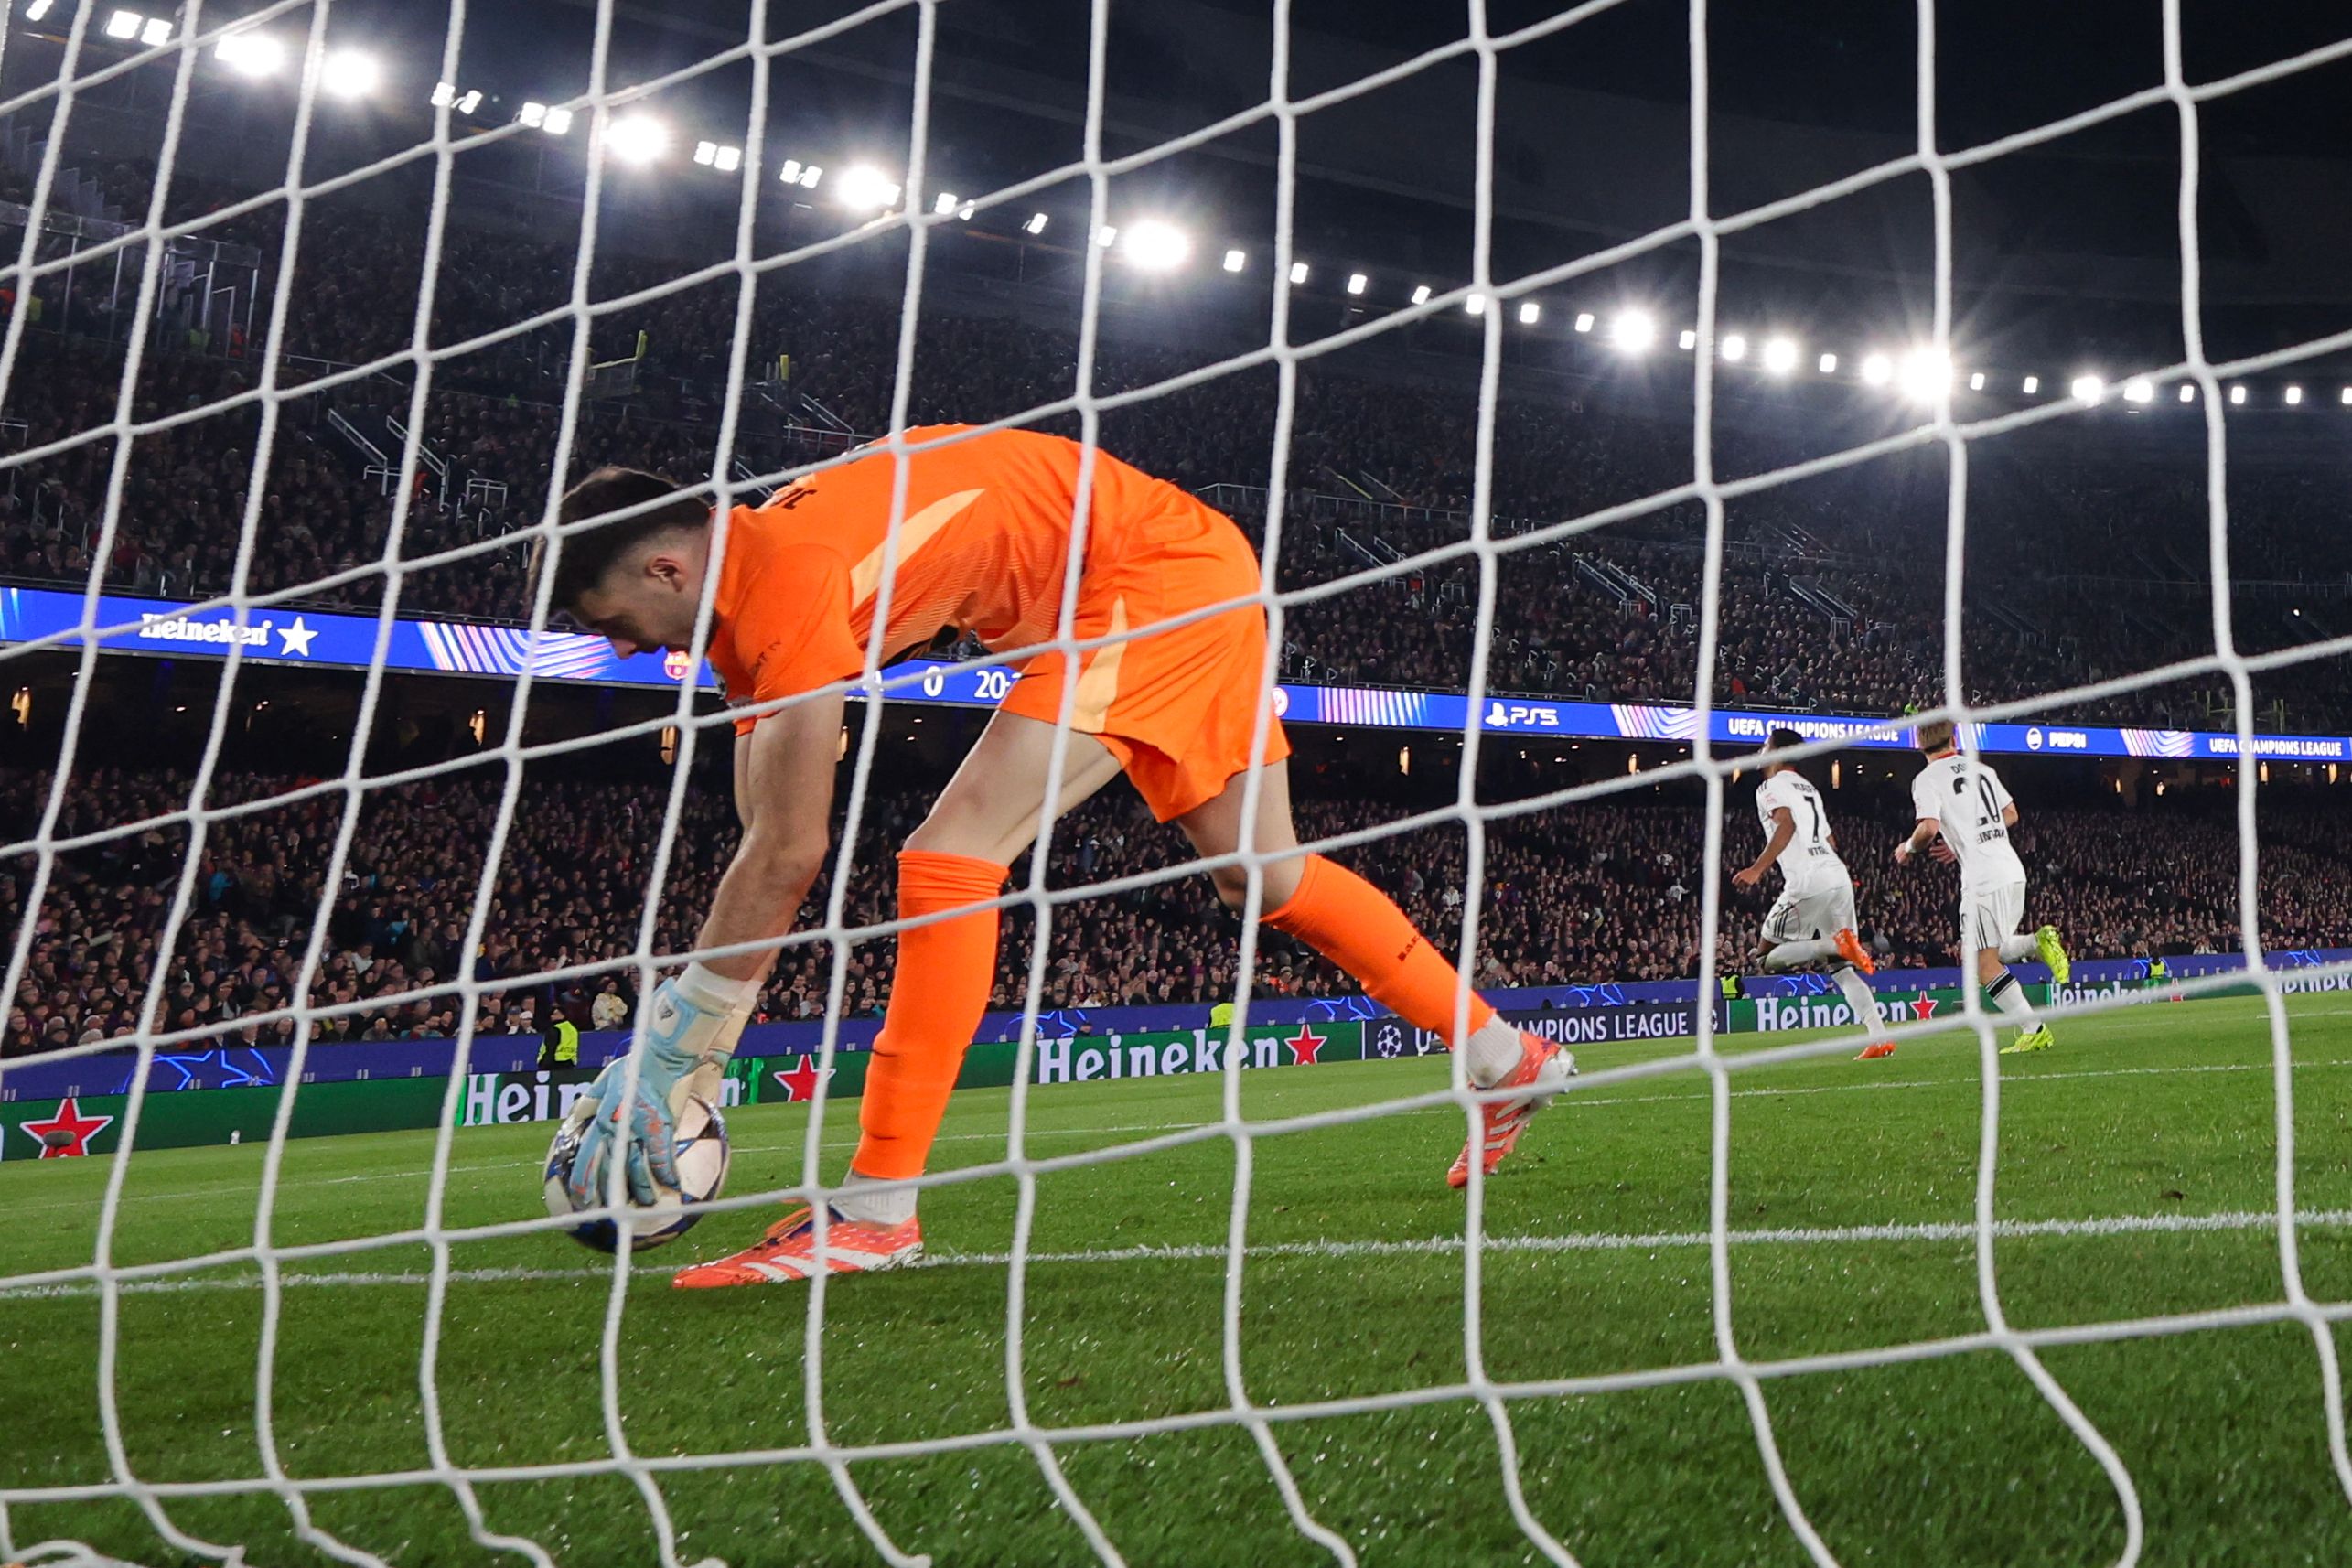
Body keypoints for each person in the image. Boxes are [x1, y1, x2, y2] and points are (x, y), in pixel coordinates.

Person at [529, 425, 1573, 1288]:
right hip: (1183, 567)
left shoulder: (788, 582)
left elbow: (791, 852)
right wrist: (684, 1042)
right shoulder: (740, 613)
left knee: (947, 856)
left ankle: (875, 1207)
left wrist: (674, 1057)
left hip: (1150, 579)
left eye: (608, 622)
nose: (622, 650)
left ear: (667, 566)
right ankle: (1502, 1057)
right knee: (1264, 874)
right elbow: (765, 835)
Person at [1889, 718, 2068, 1054]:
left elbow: (1927, 828)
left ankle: (2034, 1028)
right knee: (1988, 955)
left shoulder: (1926, 779)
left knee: (1982, 967)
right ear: (1954, 738)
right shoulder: (1982, 770)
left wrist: (1908, 849)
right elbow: (2011, 813)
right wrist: (1962, 843)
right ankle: (2034, 942)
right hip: (2012, 870)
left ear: (1917, 743)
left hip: (1983, 881)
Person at [1730, 729, 1891, 1058]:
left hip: (1807, 881)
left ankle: (1833, 944)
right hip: (1836, 875)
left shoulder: (1770, 787)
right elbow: (1831, 842)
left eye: (1764, 746)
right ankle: (1879, 1037)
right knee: (1841, 968)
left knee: (1765, 958)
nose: (1760, 752)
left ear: (1775, 752)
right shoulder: (1809, 788)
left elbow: (1785, 823)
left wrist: (1757, 870)